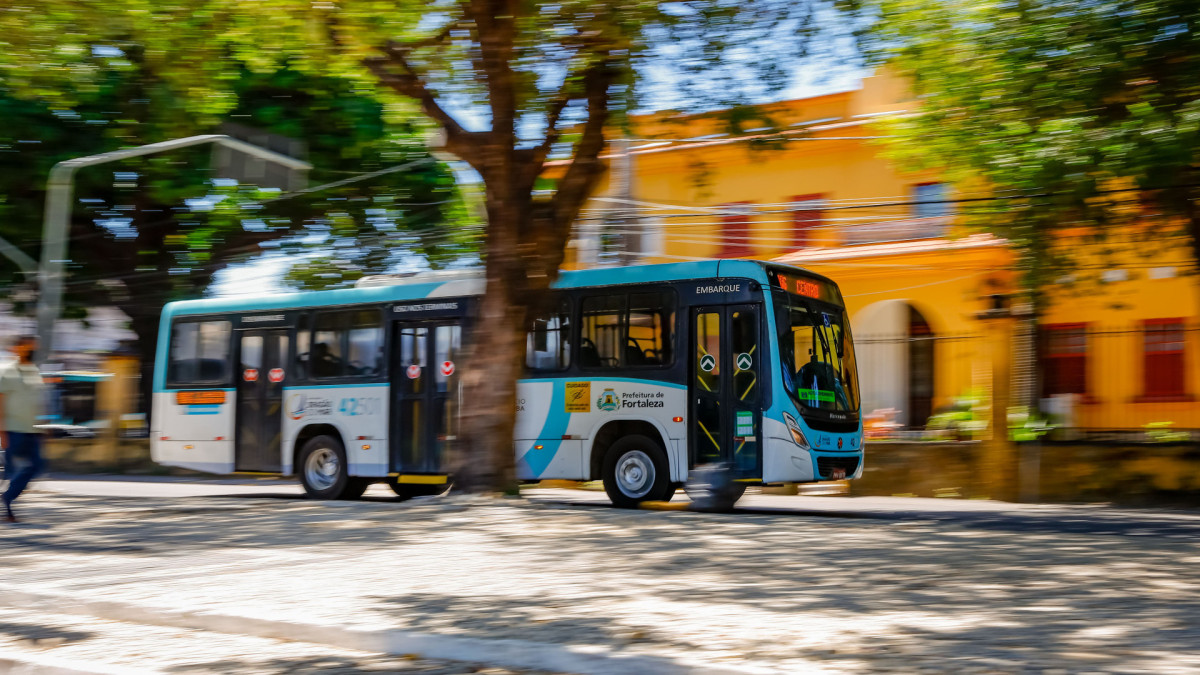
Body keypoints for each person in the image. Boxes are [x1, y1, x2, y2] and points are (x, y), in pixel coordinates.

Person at [0, 334, 46, 523]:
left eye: (33, 347)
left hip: (31, 429)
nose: (32, 350)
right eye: (28, 347)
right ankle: (8, 503)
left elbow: (36, 401)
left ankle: (8, 497)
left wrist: (44, 427)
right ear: (17, 349)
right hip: (13, 429)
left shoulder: (33, 370)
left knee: (36, 466)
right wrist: (2, 431)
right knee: (11, 470)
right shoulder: (7, 371)